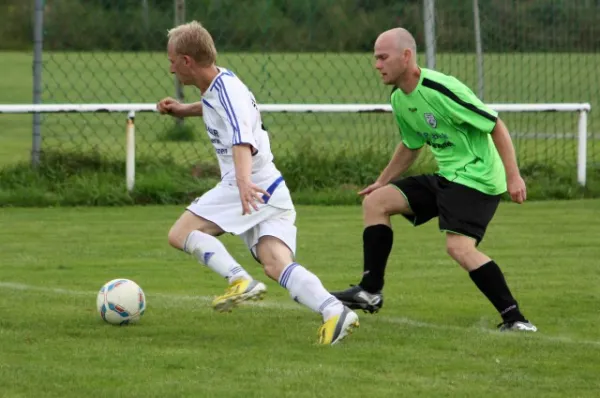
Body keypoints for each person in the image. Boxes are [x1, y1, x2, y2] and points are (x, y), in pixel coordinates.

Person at [156, 21, 359, 345]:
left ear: (186, 61)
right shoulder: (221, 85)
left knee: (180, 234)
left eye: (171, 60)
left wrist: (243, 183)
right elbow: (217, 109)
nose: (169, 69)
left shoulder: (228, 92)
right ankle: (335, 311)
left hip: (251, 184)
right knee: (275, 263)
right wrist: (183, 109)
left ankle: (239, 281)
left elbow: (242, 139)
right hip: (272, 188)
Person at [331, 27, 537, 332]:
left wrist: (513, 176)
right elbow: (411, 145)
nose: (377, 65)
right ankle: (370, 291)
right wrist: (382, 181)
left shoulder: (441, 89)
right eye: (375, 58)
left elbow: (495, 125)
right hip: (448, 176)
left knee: (459, 248)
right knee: (376, 202)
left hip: (477, 178)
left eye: (382, 57)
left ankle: (516, 319)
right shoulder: (400, 99)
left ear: (406, 56)